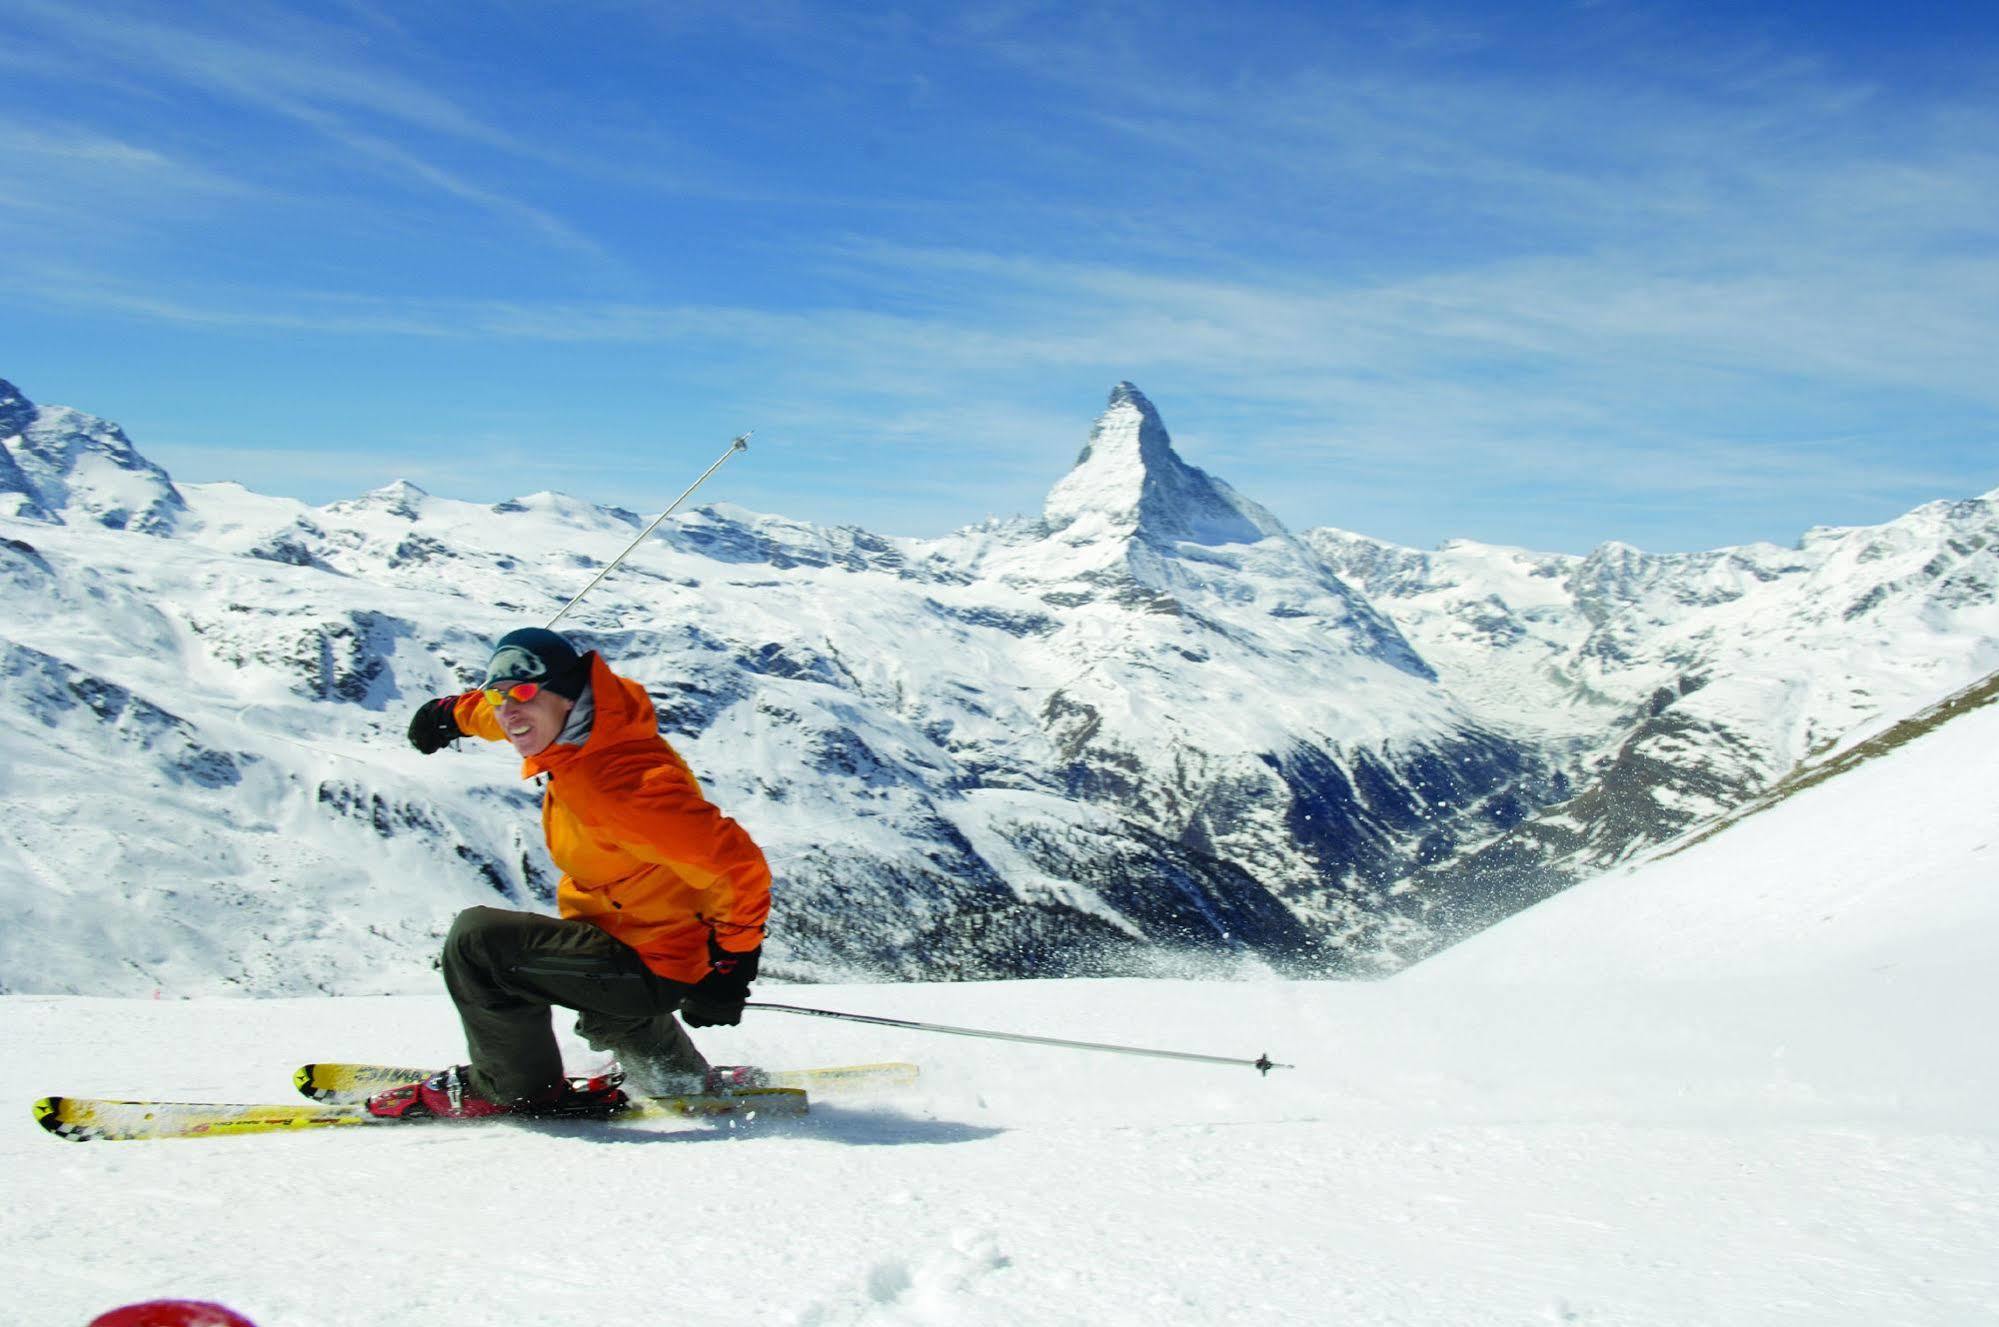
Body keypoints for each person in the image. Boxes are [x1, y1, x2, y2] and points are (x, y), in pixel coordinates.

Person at [369, 626, 772, 1119]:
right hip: (631, 932)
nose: (508, 711)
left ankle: (510, 1089)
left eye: (521, 694)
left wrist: (730, 969)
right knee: (590, 975)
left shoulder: (621, 787)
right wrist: (453, 715)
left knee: (479, 944)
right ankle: (676, 1074)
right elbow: (514, 711)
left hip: (657, 959)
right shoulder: (591, 720)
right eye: (497, 697)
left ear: (568, 695)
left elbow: (738, 867)